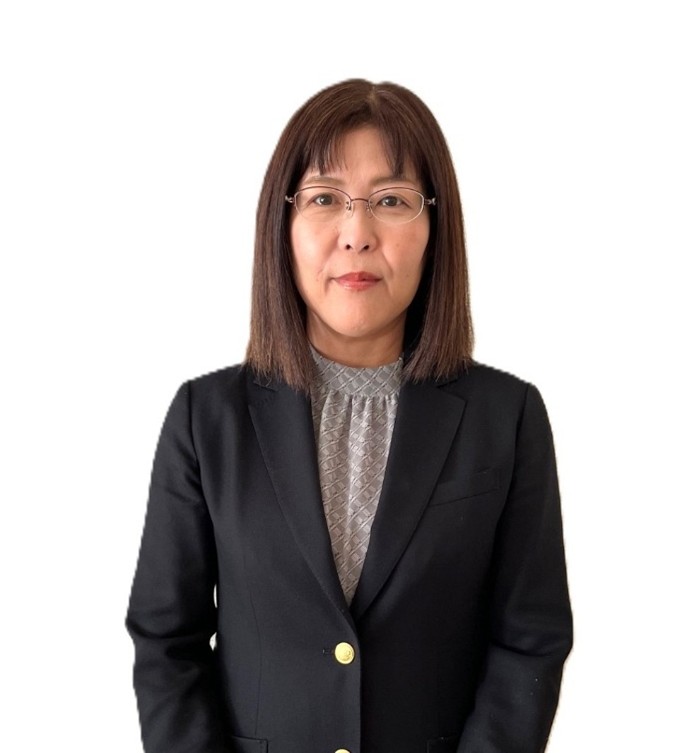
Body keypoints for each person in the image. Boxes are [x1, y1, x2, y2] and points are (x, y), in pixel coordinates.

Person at [126, 78, 573, 753]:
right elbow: (167, 643)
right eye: (324, 198)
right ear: (282, 225)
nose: (357, 234)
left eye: (390, 200)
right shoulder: (205, 420)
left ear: (434, 227)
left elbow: (528, 641)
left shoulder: (505, 418)